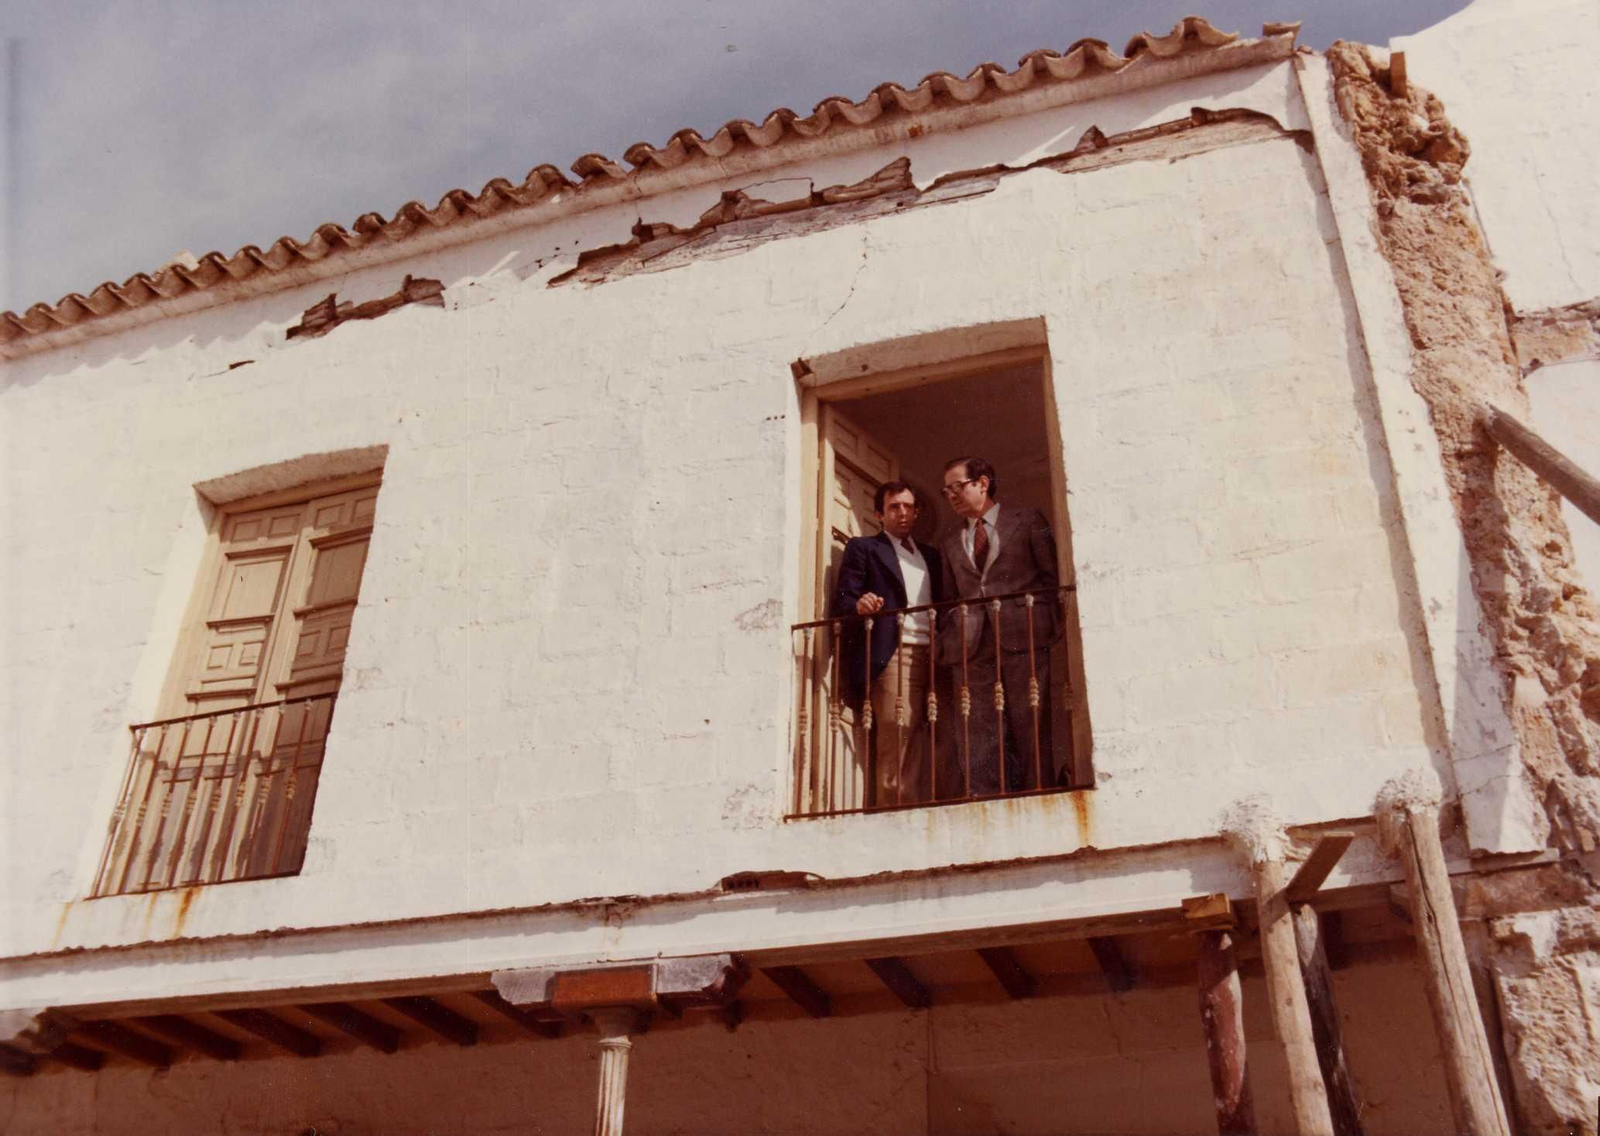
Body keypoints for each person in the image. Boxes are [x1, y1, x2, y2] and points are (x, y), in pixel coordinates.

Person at [937, 457, 1060, 796]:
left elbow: (1051, 578)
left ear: (983, 483)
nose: (951, 495)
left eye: (957, 486)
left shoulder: (1028, 519)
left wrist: (1045, 625)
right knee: (976, 726)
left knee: (1029, 721)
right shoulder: (949, 538)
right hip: (971, 643)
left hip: (1024, 636)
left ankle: (1039, 793)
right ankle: (984, 797)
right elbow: (948, 598)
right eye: (946, 491)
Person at [831, 481, 944, 807]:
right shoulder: (864, 548)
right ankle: (896, 814)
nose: (903, 513)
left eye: (909, 506)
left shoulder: (931, 556)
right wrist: (860, 604)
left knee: (934, 735)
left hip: (936, 652)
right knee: (899, 733)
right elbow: (844, 599)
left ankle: (924, 812)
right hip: (897, 652)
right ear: (880, 514)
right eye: (894, 507)